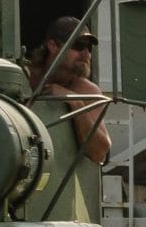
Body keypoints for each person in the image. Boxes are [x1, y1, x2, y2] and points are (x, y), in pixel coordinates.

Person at [27, 15, 112, 164]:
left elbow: (99, 153)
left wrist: (75, 101)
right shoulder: (25, 78)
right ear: (53, 46)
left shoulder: (87, 90)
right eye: (78, 45)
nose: (86, 54)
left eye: (89, 48)